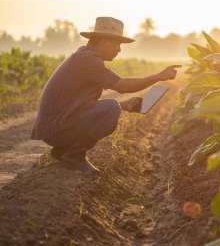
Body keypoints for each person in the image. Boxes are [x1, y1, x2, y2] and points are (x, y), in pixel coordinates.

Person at [30, 17, 181, 173]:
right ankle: (75, 155)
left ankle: (63, 151)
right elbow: (122, 86)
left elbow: (82, 103)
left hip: (56, 127)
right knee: (111, 109)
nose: (119, 50)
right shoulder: (88, 59)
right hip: (57, 129)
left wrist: (123, 105)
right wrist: (158, 76)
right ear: (103, 41)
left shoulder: (84, 56)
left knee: (114, 107)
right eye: (117, 44)